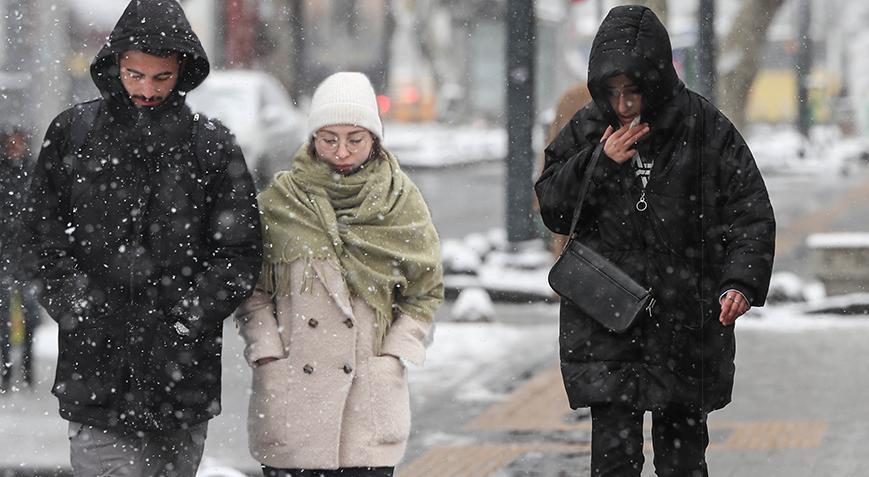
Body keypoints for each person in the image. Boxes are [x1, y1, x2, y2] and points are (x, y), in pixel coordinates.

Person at [535, 6, 775, 477]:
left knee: (684, 462)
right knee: (613, 461)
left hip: (685, 324)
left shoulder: (705, 127)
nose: (623, 105)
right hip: (608, 323)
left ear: (658, 79)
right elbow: (551, 205)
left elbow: (750, 214)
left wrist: (739, 284)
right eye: (612, 92)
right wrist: (599, 162)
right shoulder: (589, 128)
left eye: (634, 90)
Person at [23, 0, 262, 475]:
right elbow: (40, 236)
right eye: (135, 75)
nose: (147, 90)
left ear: (183, 73)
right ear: (114, 65)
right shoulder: (73, 134)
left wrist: (189, 316)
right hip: (96, 374)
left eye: (161, 78)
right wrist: (79, 307)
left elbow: (239, 252)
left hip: (183, 381)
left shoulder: (211, 146)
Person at [236, 72, 444, 477]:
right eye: (329, 138)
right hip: (293, 396)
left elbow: (425, 291)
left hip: (368, 398)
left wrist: (395, 354)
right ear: (312, 138)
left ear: (375, 139)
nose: (342, 151)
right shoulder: (280, 201)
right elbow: (252, 289)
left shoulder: (401, 202)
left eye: (355, 138)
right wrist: (266, 350)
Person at [0, 126, 41, 393]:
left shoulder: (35, 172)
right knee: (4, 317)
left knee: (29, 315)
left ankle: (26, 369)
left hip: (26, 257)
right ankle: (6, 369)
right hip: (5, 254)